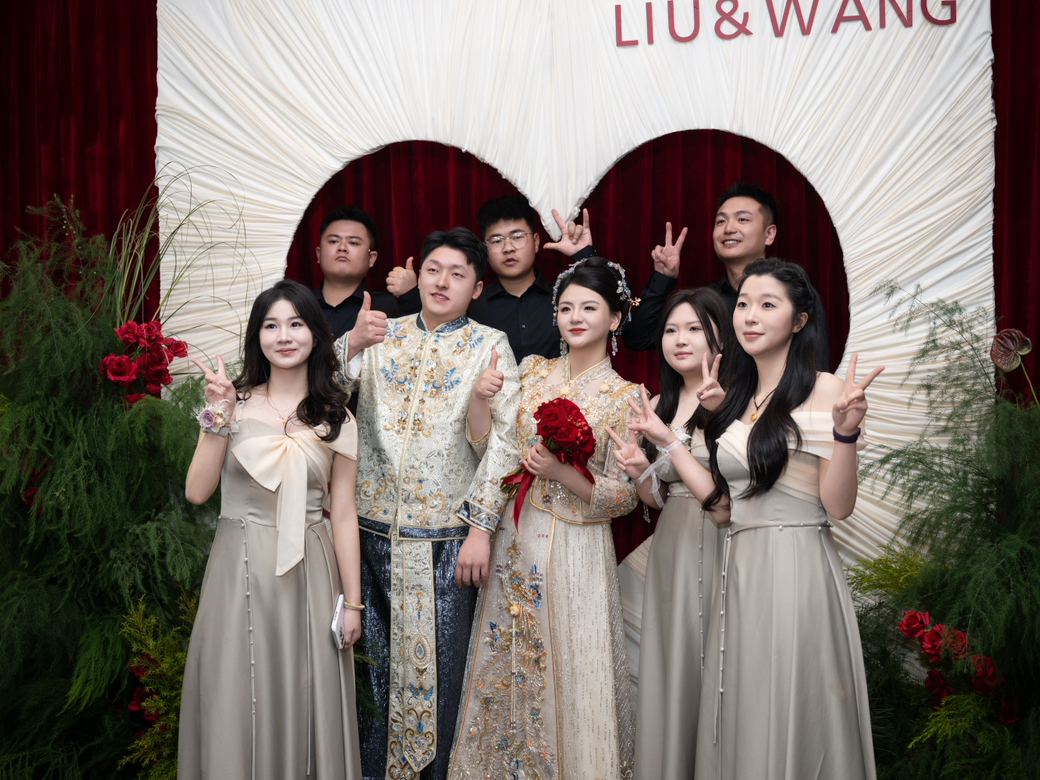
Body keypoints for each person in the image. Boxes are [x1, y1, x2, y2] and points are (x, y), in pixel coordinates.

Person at [335, 227, 521, 780]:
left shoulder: (489, 344)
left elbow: (507, 441)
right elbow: (320, 395)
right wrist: (349, 346)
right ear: (419, 275)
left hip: (443, 542)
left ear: (477, 287)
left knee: (439, 678)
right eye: (433, 270)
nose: (442, 282)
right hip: (364, 537)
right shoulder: (380, 333)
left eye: (457, 274)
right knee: (368, 678)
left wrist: (481, 528)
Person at [447, 257, 642, 780]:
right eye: (566, 307)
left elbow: (625, 498)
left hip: (578, 550)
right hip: (516, 538)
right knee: (508, 662)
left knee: (573, 668)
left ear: (615, 318)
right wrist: (479, 401)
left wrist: (562, 472)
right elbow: (492, 450)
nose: (575, 317)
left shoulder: (627, 397)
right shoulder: (531, 371)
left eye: (590, 308)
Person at [695, 258, 881, 780]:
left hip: (796, 564)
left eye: (767, 305)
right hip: (739, 565)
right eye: (743, 304)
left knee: (794, 697)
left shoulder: (826, 390)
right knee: (746, 699)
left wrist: (846, 434)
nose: (750, 316)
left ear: (800, 320)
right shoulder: (734, 395)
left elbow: (838, 507)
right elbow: (725, 503)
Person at [179, 279, 362, 779]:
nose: (284, 336)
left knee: (307, 690)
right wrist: (217, 416)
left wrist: (352, 603)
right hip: (237, 568)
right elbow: (196, 492)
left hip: (311, 571)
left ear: (316, 334)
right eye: (271, 325)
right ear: (256, 337)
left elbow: (344, 513)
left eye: (296, 324)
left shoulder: (338, 417)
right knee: (233, 691)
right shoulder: (233, 406)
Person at [607, 288, 734, 779]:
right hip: (673, 543)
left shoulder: (736, 398)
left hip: (725, 541)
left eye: (694, 329)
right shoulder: (659, 403)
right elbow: (658, 499)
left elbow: (734, 490)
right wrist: (639, 471)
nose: (680, 340)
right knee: (675, 663)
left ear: (720, 336)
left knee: (718, 661)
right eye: (671, 330)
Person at [624, 183, 830, 368]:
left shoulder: (794, 293)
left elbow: (815, 365)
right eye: (721, 221)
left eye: (742, 219)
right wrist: (663, 278)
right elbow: (638, 339)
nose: (729, 229)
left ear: (769, 234)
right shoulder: (706, 300)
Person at [386, 195, 597, 361]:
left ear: (535, 242)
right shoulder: (469, 303)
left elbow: (608, 312)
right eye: (496, 240)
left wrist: (584, 255)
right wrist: (411, 294)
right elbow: (431, 339)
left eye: (517, 237)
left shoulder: (563, 297)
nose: (508, 248)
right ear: (485, 249)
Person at [313, 204, 399, 340]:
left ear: (371, 258)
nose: (342, 247)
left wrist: (410, 294)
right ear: (318, 254)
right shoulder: (298, 306)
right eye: (333, 241)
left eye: (353, 243)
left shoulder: (387, 307)